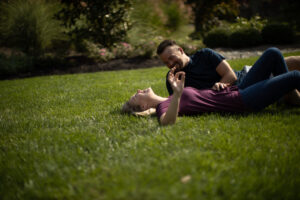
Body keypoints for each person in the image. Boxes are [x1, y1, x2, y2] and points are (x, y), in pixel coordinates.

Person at [122, 48, 300, 125]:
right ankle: (290, 95)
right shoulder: (165, 105)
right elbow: (166, 121)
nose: (138, 91)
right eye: (135, 96)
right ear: (144, 106)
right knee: (295, 76)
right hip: (242, 100)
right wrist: (176, 94)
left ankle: (290, 97)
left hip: (237, 88)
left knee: (273, 54)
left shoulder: (168, 101)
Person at [156, 40, 300, 105]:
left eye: (171, 58)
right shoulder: (173, 79)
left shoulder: (205, 55)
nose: (170, 64)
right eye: (165, 63)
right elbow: (175, 103)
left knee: (283, 57)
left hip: (245, 77)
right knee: (278, 60)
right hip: (239, 92)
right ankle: (291, 97)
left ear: (180, 50)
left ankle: (291, 95)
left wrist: (219, 85)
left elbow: (230, 75)